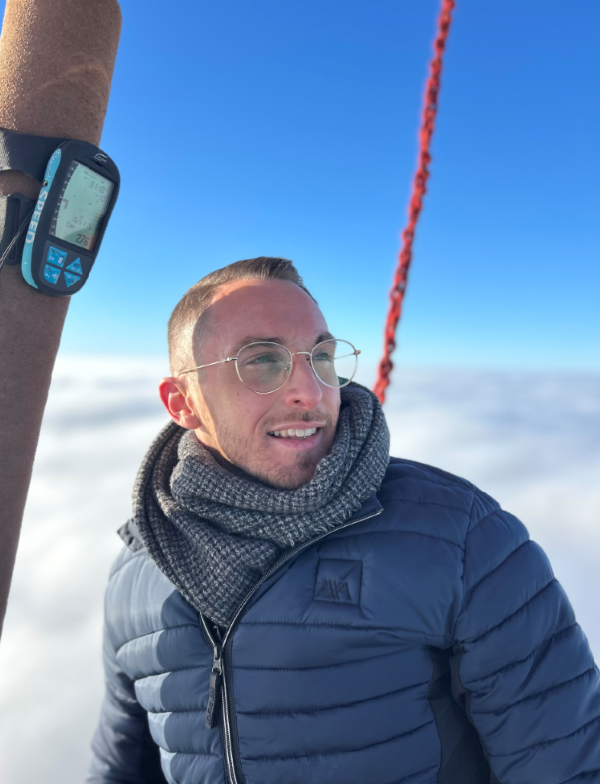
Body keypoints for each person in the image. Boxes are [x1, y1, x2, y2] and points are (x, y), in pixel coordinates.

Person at [87, 257, 600, 784]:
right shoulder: (141, 569)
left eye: (322, 357)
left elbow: (567, 767)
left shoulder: (463, 540)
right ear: (183, 403)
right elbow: (119, 770)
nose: (311, 391)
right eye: (261, 361)